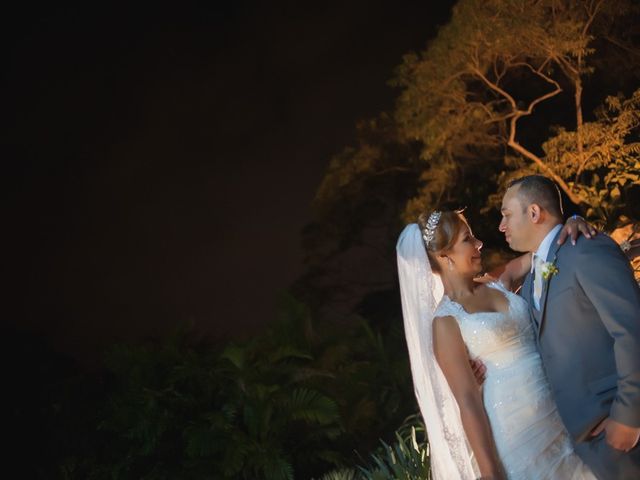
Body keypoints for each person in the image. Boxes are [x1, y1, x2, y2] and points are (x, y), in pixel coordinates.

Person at [397, 211, 597, 479]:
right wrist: (490, 472)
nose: (479, 243)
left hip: (562, 406)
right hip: (518, 431)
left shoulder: (497, 280)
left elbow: (541, 253)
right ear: (445, 257)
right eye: (468, 239)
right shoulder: (445, 322)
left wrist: (570, 222)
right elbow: (467, 401)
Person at [499, 175, 640, 479]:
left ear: (534, 213)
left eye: (507, 214)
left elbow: (632, 330)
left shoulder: (586, 249)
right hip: (583, 443)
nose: (501, 226)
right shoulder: (530, 281)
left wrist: (629, 416)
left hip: (623, 429)